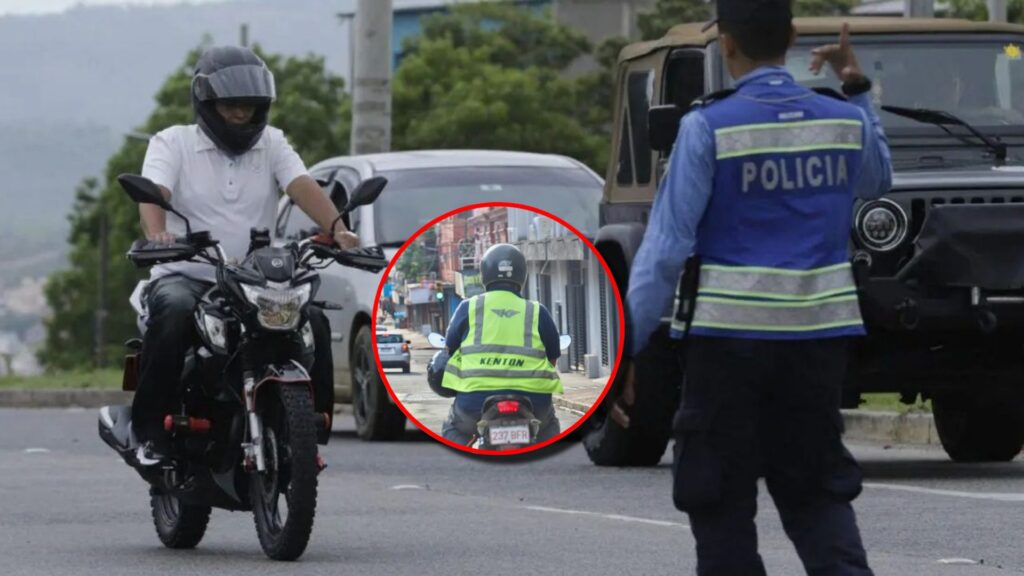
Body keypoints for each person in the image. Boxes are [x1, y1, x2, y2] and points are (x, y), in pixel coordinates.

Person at [625, 2, 892, 574]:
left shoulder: (707, 127)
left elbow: (667, 246)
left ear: (725, 45)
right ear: (793, 37)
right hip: (819, 343)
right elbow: (876, 178)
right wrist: (855, 84)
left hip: (727, 345)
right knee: (818, 493)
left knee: (718, 496)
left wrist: (631, 342)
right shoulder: (841, 117)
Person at [132, 46, 359, 465]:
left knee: (313, 319)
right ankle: (149, 433)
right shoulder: (173, 142)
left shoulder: (271, 143)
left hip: (255, 279)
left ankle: (312, 425)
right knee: (173, 313)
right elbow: (154, 194)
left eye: (249, 106)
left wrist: (339, 230)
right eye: (231, 105)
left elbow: (302, 186)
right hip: (189, 272)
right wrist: (158, 234)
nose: (240, 114)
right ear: (206, 101)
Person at [439, 243, 563, 445]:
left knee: (453, 429)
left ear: (485, 274)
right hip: (534, 398)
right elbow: (553, 357)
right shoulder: (537, 311)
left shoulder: (468, 307)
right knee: (549, 429)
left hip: (475, 399)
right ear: (521, 275)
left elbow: (450, 351)